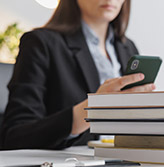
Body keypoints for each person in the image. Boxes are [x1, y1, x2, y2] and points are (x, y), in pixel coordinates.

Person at [0, 0, 155, 150]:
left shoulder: (127, 48)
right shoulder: (40, 43)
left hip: (123, 161)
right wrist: (90, 110)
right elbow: (15, 135)